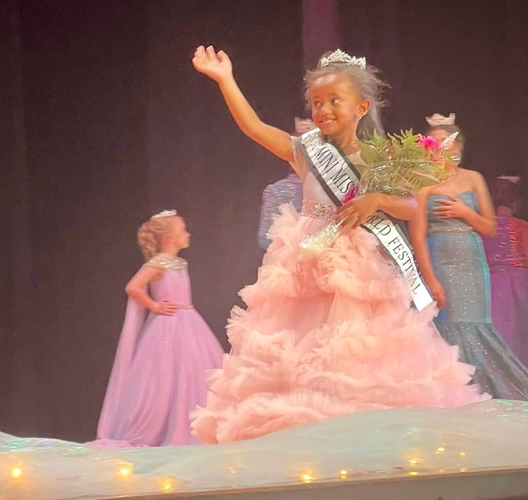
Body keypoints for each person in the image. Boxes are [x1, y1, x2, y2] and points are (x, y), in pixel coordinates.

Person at [189, 46, 486, 445]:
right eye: (316, 102)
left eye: (334, 100)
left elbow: (410, 206)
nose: (323, 109)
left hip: (356, 268)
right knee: (296, 351)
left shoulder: (381, 156)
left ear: (361, 107)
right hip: (305, 264)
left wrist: (375, 200)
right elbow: (254, 127)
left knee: (353, 349)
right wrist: (225, 80)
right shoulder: (306, 150)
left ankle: (358, 439)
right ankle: (302, 433)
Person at [409, 114, 528, 403]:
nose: (437, 147)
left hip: (472, 263)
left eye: (443, 141)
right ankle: (455, 397)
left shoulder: (473, 179)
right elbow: (417, 237)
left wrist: (464, 213)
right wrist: (430, 279)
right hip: (440, 261)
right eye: (431, 142)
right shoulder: (421, 183)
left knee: (475, 324)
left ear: (457, 145)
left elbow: (489, 228)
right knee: (447, 326)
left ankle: (488, 394)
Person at [92, 210, 223, 447]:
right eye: (183, 230)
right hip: (167, 326)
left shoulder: (180, 263)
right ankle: (169, 427)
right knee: (165, 375)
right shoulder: (158, 263)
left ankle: (196, 425)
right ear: (171, 237)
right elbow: (133, 287)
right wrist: (153, 305)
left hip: (189, 321)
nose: (187, 234)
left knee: (194, 369)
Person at [482, 176, 528, 392]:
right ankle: (524, 384)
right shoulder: (522, 226)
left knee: (501, 334)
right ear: (515, 202)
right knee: (524, 335)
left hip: (493, 285)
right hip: (518, 283)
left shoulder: (484, 226)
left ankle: (501, 384)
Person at [257, 119, 311, 250]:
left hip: (330, 257)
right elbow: (264, 238)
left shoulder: (333, 188)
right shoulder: (276, 190)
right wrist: (293, 238)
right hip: (291, 259)